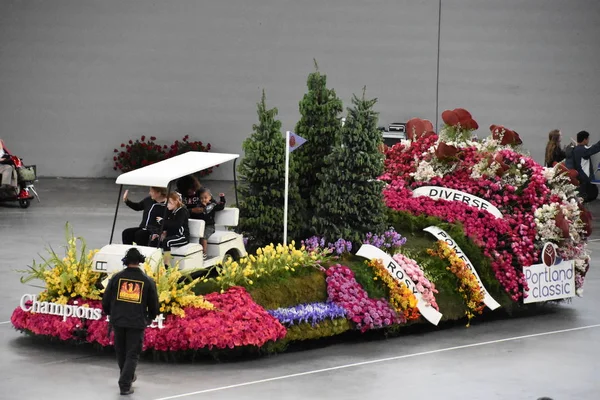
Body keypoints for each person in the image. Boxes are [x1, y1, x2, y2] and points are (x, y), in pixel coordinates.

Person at [102, 248, 159, 396]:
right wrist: (151, 316)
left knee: (121, 352)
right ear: (140, 261)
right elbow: (153, 303)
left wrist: (110, 312)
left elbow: (106, 299)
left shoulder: (116, 278)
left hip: (118, 320)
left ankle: (127, 376)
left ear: (126, 261)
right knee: (132, 354)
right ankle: (125, 384)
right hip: (136, 321)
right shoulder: (147, 281)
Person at [565, 130, 600, 201]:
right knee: (589, 197)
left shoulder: (575, 149)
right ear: (585, 139)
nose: (588, 141)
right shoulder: (583, 149)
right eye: (588, 139)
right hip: (586, 179)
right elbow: (595, 148)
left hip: (579, 178)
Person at [196, 189, 226, 259]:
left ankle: (204, 253)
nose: (203, 200)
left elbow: (221, 206)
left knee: (204, 237)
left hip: (209, 226)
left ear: (210, 197)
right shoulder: (199, 205)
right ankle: (197, 252)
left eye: (205, 198)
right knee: (196, 236)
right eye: (201, 198)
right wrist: (202, 207)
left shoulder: (213, 205)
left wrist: (222, 198)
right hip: (201, 225)